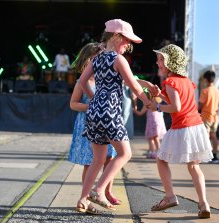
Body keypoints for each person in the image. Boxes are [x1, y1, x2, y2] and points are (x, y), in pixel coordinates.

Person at [78, 19, 155, 211]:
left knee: (97, 160)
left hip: (94, 112)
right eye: (127, 40)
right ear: (116, 36)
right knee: (125, 153)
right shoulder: (118, 60)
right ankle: (99, 190)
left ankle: (83, 199)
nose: (128, 45)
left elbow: (82, 80)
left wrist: (94, 98)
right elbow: (134, 85)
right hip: (110, 113)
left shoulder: (96, 59)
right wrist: (148, 103)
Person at [150, 44, 213, 219]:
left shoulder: (170, 81)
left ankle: (170, 195)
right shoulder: (186, 82)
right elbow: (180, 100)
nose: (158, 62)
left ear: (171, 62)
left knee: (161, 159)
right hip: (196, 126)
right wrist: (160, 95)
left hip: (182, 127)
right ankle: (203, 204)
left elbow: (176, 107)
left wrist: (158, 107)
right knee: (194, 166)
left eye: (161, 59)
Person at [69, 43, 121, 215]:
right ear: (89, 60)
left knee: (109, 158)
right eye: (97, 57)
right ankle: (85, 198)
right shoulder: (83, 81)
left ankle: (106, 192)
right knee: (89, 162)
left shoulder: (104, 78)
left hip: (106, 123)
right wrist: (91, 105)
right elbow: (73, 104)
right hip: (87, 124)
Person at [133, 93, 167, 159]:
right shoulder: (159, 105)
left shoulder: (148, 105)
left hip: (152, 124)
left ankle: (156, 152)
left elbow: (140, 113)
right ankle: (156, 152)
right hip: (157, 124)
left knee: (152, 138)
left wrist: (133, 110)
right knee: (154, 138)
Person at [199, 70, 219, 163]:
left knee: (206, 136)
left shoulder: (205, 91)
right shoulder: (217, 91)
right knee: (214, 135)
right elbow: (218, 104)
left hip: (206, 116)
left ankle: (206, 155)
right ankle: (215, 155)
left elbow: (201, 104)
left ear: (205, 79)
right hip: (215, 117)